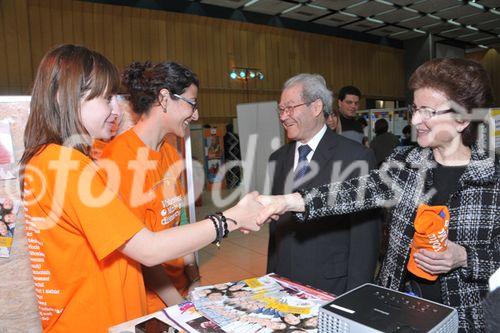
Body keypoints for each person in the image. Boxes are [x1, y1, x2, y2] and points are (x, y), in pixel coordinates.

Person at [20, 44, 263, 332]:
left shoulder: (50, 159)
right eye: (106, 98)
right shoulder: (65, 164)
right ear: (64, 96)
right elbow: (148, 249)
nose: (115, 109)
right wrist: (232, 218)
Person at [257, 58, 499, 332]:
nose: (416, 120)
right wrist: (288, 200)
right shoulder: (405, 163)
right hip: (397, 310)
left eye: (428, 112)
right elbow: (352, 191)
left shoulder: (493, 178)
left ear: (462, 119)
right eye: (415, 109)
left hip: (466, 318)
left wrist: (465, 257)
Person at [100, 61, 201, 312]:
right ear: (165, 98)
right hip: (151, 305)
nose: (196, 115)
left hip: (181, 293)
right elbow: (142, 255)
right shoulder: (118, 160)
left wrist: (195, 279)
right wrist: (180, 307)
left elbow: (178, 221)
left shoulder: (170, 154)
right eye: (192, 103)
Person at [267, 73, 379, 295]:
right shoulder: (277, 158)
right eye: (281, 109)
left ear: (316, 106)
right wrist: (270, 277)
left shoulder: (356, 157)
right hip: (283, 282)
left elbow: (365, 239)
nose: (283, 116)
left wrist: (355, 297)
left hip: (331, 285)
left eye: (290, 108)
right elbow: (277, 229)